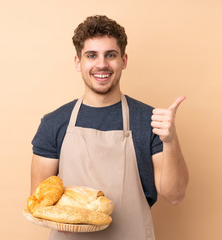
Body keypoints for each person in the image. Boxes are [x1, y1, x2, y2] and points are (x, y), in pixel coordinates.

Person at [30, 15, 189, 240]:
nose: (102, 64)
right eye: (91, 55)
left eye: (110, 55)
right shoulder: (54, 123)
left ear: (123, 60)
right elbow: (39, 203)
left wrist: (171, 141)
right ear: (78, 62)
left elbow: (175, 195)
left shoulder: (148, 120)